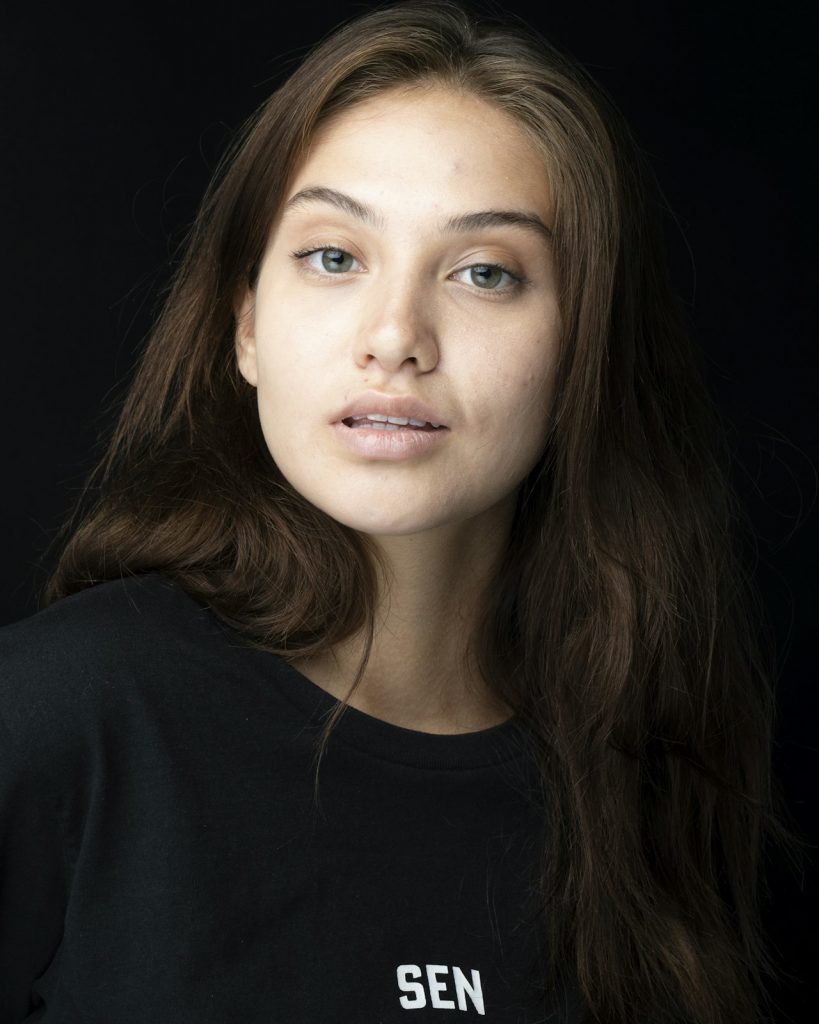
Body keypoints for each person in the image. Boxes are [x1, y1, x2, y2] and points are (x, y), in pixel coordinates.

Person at [0, 2, 802, 1022]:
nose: (395, 337)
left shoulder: (648, 776)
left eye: (484, 273)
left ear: (582, 357)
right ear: (245, 325)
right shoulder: (56, 719)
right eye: (334, 256)